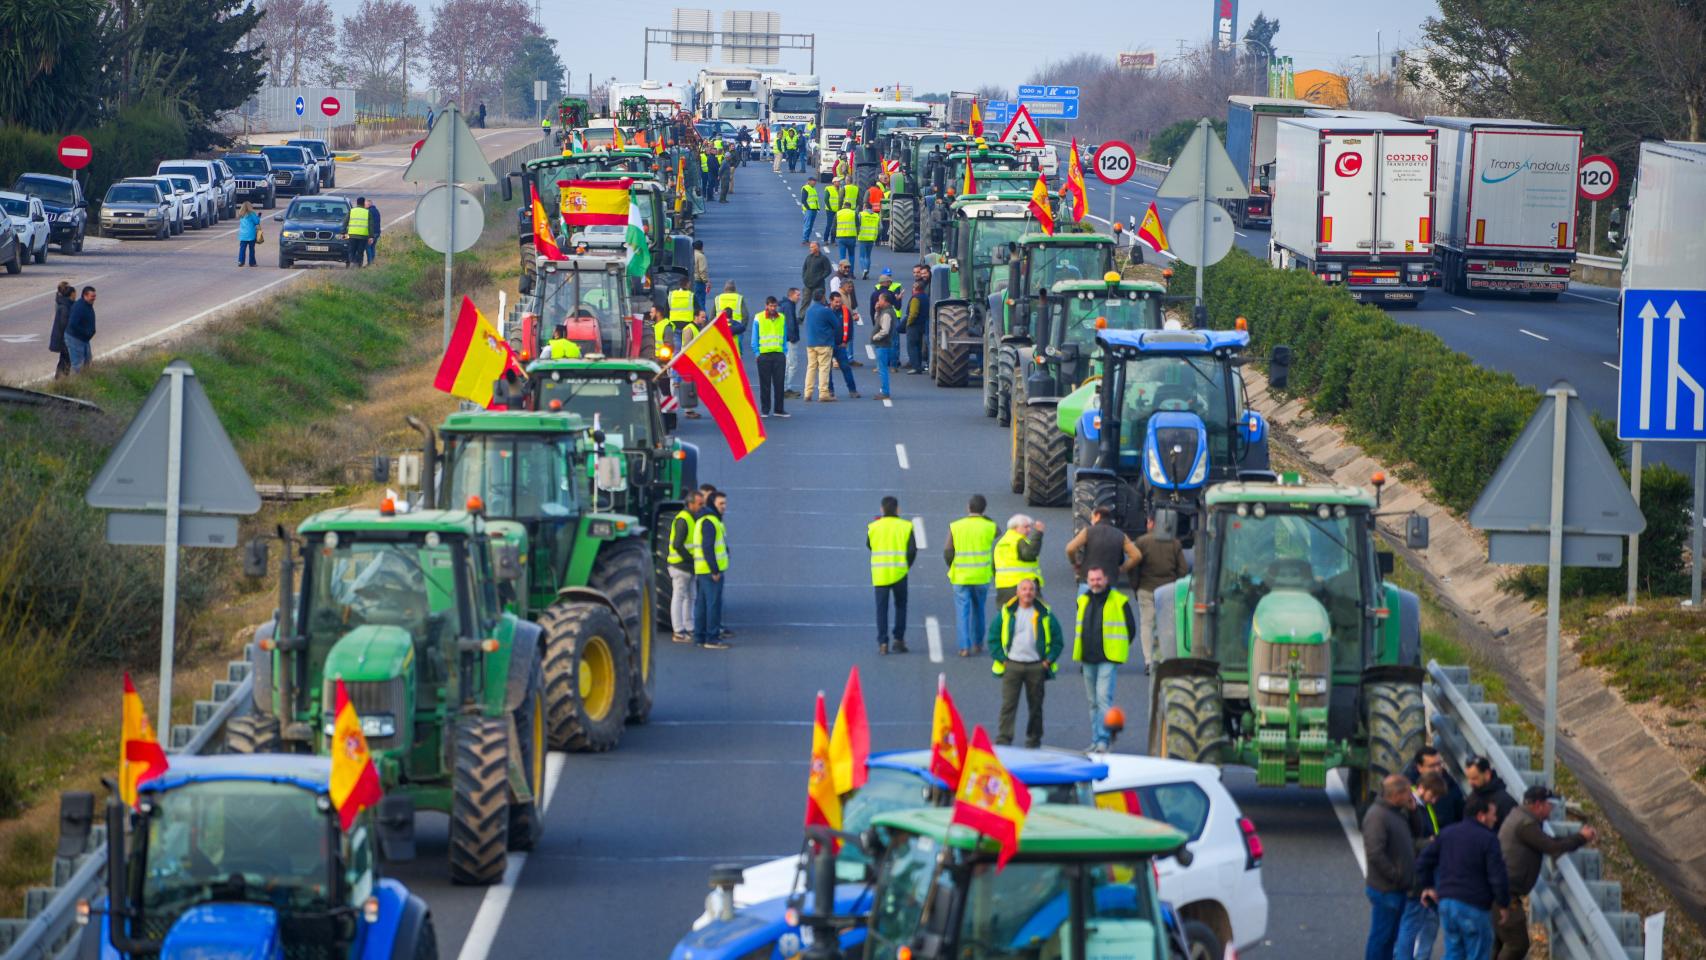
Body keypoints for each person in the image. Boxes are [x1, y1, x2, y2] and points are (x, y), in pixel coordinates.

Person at [1496, 786, 1597, 959]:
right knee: (1517, 944)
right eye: (1550, 805)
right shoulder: (1525, 824)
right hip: (1504, 894)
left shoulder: (1520, 816)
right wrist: (1581, 838)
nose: (1552, 809)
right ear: (1538, 805)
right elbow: (1552, 847)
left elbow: (1548, 842)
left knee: (1498, 944)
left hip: (1499, 890)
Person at [1417, 795, 1510, 960]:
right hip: (1474, 905)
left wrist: (1428, 886)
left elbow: (1424, 861)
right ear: (1481, 816)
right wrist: (1503, 903)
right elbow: (1497, 875)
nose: (1495, 819)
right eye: (1493, 814)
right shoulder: (1489, 839)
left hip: (1446, 903)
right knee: (1477, 953)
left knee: (1454, 951)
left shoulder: (1447, 833)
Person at [989, 578, 1060, 749]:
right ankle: (1004, 739)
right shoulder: (1007, 613)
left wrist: (1048, 661)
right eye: (1024, 589)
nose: (1027, 592)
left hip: (1036, 666)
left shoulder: (1045, 614)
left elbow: (1058, 640)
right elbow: (993, 637)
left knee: (1036, 706)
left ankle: (1034, 740)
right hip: (1012, 666)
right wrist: (1002, 659)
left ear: (1035, 592)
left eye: (1031, 589)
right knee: (1008, 705)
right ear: (1018, 592)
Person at [1074, 566, 1135, 752]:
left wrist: (1119, 649)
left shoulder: (1119, 600)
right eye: (1092, 579)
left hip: (1108, 658)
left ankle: (1103, 740)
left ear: (1106, 580)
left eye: (1098, 579)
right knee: (1092, 702)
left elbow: (1130, 629)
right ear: (1088, 582)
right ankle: (1096, 740)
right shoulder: (1083, 600)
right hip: (1087, 658)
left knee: (1103, 700)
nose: (1095, 582)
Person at [1363, 773, 1417, 960]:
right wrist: (1396, 875)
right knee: (1381, 938)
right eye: (1408, 793)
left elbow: (1416, 833)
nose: (1411, 796)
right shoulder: (1377, 817)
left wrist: (1414, 810)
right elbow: (1375, 853)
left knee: (1389, 938)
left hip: (1396, 888)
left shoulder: (1396, 813)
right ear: (1396, 794)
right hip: (1386, 889)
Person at [1395, 773, 1449, 960]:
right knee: (1411, 923)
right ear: (1422, 788)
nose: (1434, 801)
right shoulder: (1409, 808)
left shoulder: (1421, 806)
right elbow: (1404, 841)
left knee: (1427, 920)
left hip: (1423, 871)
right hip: (1415, 873)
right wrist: (1430, 842)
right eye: (1432, 796)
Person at [1132, 514, 1187, 673]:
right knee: (1168, 626)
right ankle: (1165, 660)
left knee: (1147, 625)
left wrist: (1136, 586)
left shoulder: (1142, 542)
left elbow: (1134, 567)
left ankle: (1149, 661)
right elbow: (1183, 569)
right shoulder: (1175, 543)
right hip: (1168, 591)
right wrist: (1175, 583)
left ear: (1151, 523)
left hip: (1146, 589)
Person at [944, 495, 998, 657]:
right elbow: (998, 530)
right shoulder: (990, 526)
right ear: (984, 509)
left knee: (962, 611)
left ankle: (964, 646)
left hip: (961, 575)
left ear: (968, 508)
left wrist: (952, 565)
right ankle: (978, 643)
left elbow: (948, 551)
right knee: (979, 609)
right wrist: (984, 516)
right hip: (981, 575)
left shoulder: (956, 526)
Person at [868, 497, 916, 655]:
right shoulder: (906, 526)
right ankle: (899, 640)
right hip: (899, 573)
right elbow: (911, 550)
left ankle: (883, 643)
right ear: (897, 510)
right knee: (900, 606)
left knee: (881, 609)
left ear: (882, 510)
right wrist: (906, 565)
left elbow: (869, 544)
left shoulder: (873, 527)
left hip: (880, 574)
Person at [1063, 506, 1140, 595]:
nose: (1091, 520)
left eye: (1092, 517)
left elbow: (1070, 548)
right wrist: (1122, 568)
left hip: (1088, 581)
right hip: (1110, 582)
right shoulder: (1120, 535)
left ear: (1098, 516)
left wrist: (1075, 563)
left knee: (1084, 607)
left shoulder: (1088, 531)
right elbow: (1136, 556)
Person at [693, 491, 731, 649]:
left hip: (702, 569)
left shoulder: (705, 520)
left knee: (701, 605)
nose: (724, 507)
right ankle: (712, 638)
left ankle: (699, 637)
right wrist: (715, 570)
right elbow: (708, 547)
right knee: (713, 605)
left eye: (725, 503)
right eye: (721, 503)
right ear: (712, 504)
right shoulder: (710, 521)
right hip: (710, 572)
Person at [667, 490, 705, 643]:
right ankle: (678, 630)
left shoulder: (691, 518)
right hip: (680, 566)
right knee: (680, 596)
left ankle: (689, 627)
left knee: (690, 596)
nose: (702, 506)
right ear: (690, 504)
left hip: (688, 566)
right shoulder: (683, 519)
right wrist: (691, 559)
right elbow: (677, 545)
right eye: (699, 503)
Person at [993, 513, 1046, 608]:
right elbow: (1030, 554)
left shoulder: (1000, 543)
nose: (1029, 530)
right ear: (1015, 528)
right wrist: (1038, 533)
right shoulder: (1019, 541)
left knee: (1008, 617)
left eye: (1030, 527)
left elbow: (994, 567)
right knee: (1039, 614)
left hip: (1003, 588)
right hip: (1023, 588)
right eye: (1026, 527)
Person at [1405, 745, 1467, 825]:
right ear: (1419, 767)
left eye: (1439, 764)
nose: (1437, 769)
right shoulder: (1408, 790)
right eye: (1432, 766)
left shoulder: (1450, 784)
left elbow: (1462, 813)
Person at [754, 296, 789, 418]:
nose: (773, 308)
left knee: (779, 384)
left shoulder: (782, 318)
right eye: (771, 306)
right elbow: (755, 337)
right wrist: (757, 353)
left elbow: (784, 335)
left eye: (775, 306)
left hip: (779, 355)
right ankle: (765, 410)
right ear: (766, 306)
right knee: (765, 384)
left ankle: (779, 410)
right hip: (764, 355)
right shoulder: (759, 318)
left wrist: (785, 351)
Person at [1463, 757, 1518, 831]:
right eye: (1468, 778)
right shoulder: (1473, 796)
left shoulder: (1505, 801)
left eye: (1474, 778)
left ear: (1487, 774)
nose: (1470, 783)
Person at [802, 289, 837, 402]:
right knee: (824, 368)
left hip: (811, 343)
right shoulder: (826, 311)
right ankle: (823, 393)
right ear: (822, 297)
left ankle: (808, 392)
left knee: (811, 367)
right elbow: (836, 324)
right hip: (824, 343)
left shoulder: (809, 310)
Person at [826, 290, 859, 399]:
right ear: (830, 301)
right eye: (836, 302)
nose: (838, 304)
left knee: (846, 368)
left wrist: (846, 341)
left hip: (841, 345)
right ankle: (830, 391)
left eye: (839, 302)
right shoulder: (825, 311)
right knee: (827, 370)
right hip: (828, 345)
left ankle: (852, 390)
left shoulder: (845, 311)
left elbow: (850, 327)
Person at [868, 290, 897, 400]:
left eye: (880, 299)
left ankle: (885, 392)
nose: (878, 301)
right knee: (882, 368)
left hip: (883, 344)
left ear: (885, 301)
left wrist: (875, 337)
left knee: (882, 369)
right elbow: (877, 321)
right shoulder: (883, 311)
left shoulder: (887, 313)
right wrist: (877, 310)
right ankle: (884, 390)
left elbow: (885, 330)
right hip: (882, 344)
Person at [65, 285, 96, 373]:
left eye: (95, 296)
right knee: (77, 365)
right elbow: (72, 324)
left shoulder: (87, 304)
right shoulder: (79, 307)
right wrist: (86, 333)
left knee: (88, 361)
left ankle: (86, 381)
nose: (94, 298)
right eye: (92, 296)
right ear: (85, 296)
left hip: (84, 339)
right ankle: (75, 384)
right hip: (75, 339)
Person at [905, 272, 929, 374]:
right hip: (922, 324)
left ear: (916, 289)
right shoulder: (925, 297)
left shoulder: (916, 298)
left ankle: (915, 366)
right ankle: (919, 365)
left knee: (912, 346)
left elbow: (913, 313)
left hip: (914, 326)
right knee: (919, 346)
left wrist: (908, 323)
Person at [781, 288, 803, 398]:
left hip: (785, 339)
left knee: (787, 364)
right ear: (791, 295)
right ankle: (786, 388)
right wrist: (793, 338)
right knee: (792, 364)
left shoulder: (785, 304)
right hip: (790, 340)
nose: (799, 297)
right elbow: (790, 323)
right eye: (797, 295)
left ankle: (784, 387)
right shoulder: (789, 306)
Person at [49, 281, 74, 378]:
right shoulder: (64, 306)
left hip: (62, 336)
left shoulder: (60, 301)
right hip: (64, 337)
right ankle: (60, 378)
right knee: (65, 359)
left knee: (64, 358)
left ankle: (61, 378)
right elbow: (64, 324)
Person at [856, 201, 881, 278]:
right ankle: (867, 272)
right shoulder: (876, 216)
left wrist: (857, 233)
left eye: (863, 207)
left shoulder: (861, 214)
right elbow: (881, 227)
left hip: (862, 237)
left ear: (865, 207)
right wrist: (876, 236)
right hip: (871, 238)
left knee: (862, 256)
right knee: (868, 256)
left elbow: (857, 225)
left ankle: (864, 270)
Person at [346, 196, 372, 267]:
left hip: (352, 235)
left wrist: (343, 233)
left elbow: (345, 222)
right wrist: (371, 237)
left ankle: (351, 263)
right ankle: (359, 265)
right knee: (360, 252)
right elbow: (370, 226)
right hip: (363, 236)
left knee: (352, 250)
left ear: (357, 203)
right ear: (363, 203)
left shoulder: (352, 211)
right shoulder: (367, 212)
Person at [834, 194, 858, 265]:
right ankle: (851, 273)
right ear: (850, 207)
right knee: (851, 256)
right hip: (851, 237)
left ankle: (843, 272)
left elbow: (834, 226)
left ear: (843, 206)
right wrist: (857, 235)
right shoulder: (854, 213)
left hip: (841, 237)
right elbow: (857, 225)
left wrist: (834, 237)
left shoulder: (838, 213)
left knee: (842, 257)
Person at [235, 202, 260, 267]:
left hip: (243, 235)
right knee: (251, 249)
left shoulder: (241, 215)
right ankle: (252, 262)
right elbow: (256, 222)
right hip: (251, 235)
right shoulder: (251, 214)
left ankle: (241, 261)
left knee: (242, 249)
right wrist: (258, 216)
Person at [800, 180, 821, 244]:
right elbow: (803, 200)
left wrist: (817, 207)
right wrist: (808, 208)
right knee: (807, 224)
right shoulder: (805, 188)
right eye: (813, 181)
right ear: (809, 181)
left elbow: (815, 199)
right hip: (809, 210)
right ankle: (804, 239)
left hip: (814, 209)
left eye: (815, 182)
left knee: (811, 225)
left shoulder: (813, 188)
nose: (815, 183)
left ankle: (807, 239)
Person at [692, 240, 710, 312]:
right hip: (699, 282)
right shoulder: (701, 256)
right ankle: (704, 319)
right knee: (701, 302)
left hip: (692, 281)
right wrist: (706, 281)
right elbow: (702, 270)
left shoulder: (691, 255)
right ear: (701, 247)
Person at [364, 199, 382, 264]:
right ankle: (373, 262)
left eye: (365, 205)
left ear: (368, 205)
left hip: (371, 233)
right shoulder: (377, 211)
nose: (364, 206)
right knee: (372, 247)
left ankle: (370, 263)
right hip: (377, 232)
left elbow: (369, 223)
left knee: (368, 247)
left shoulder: (368, 212)